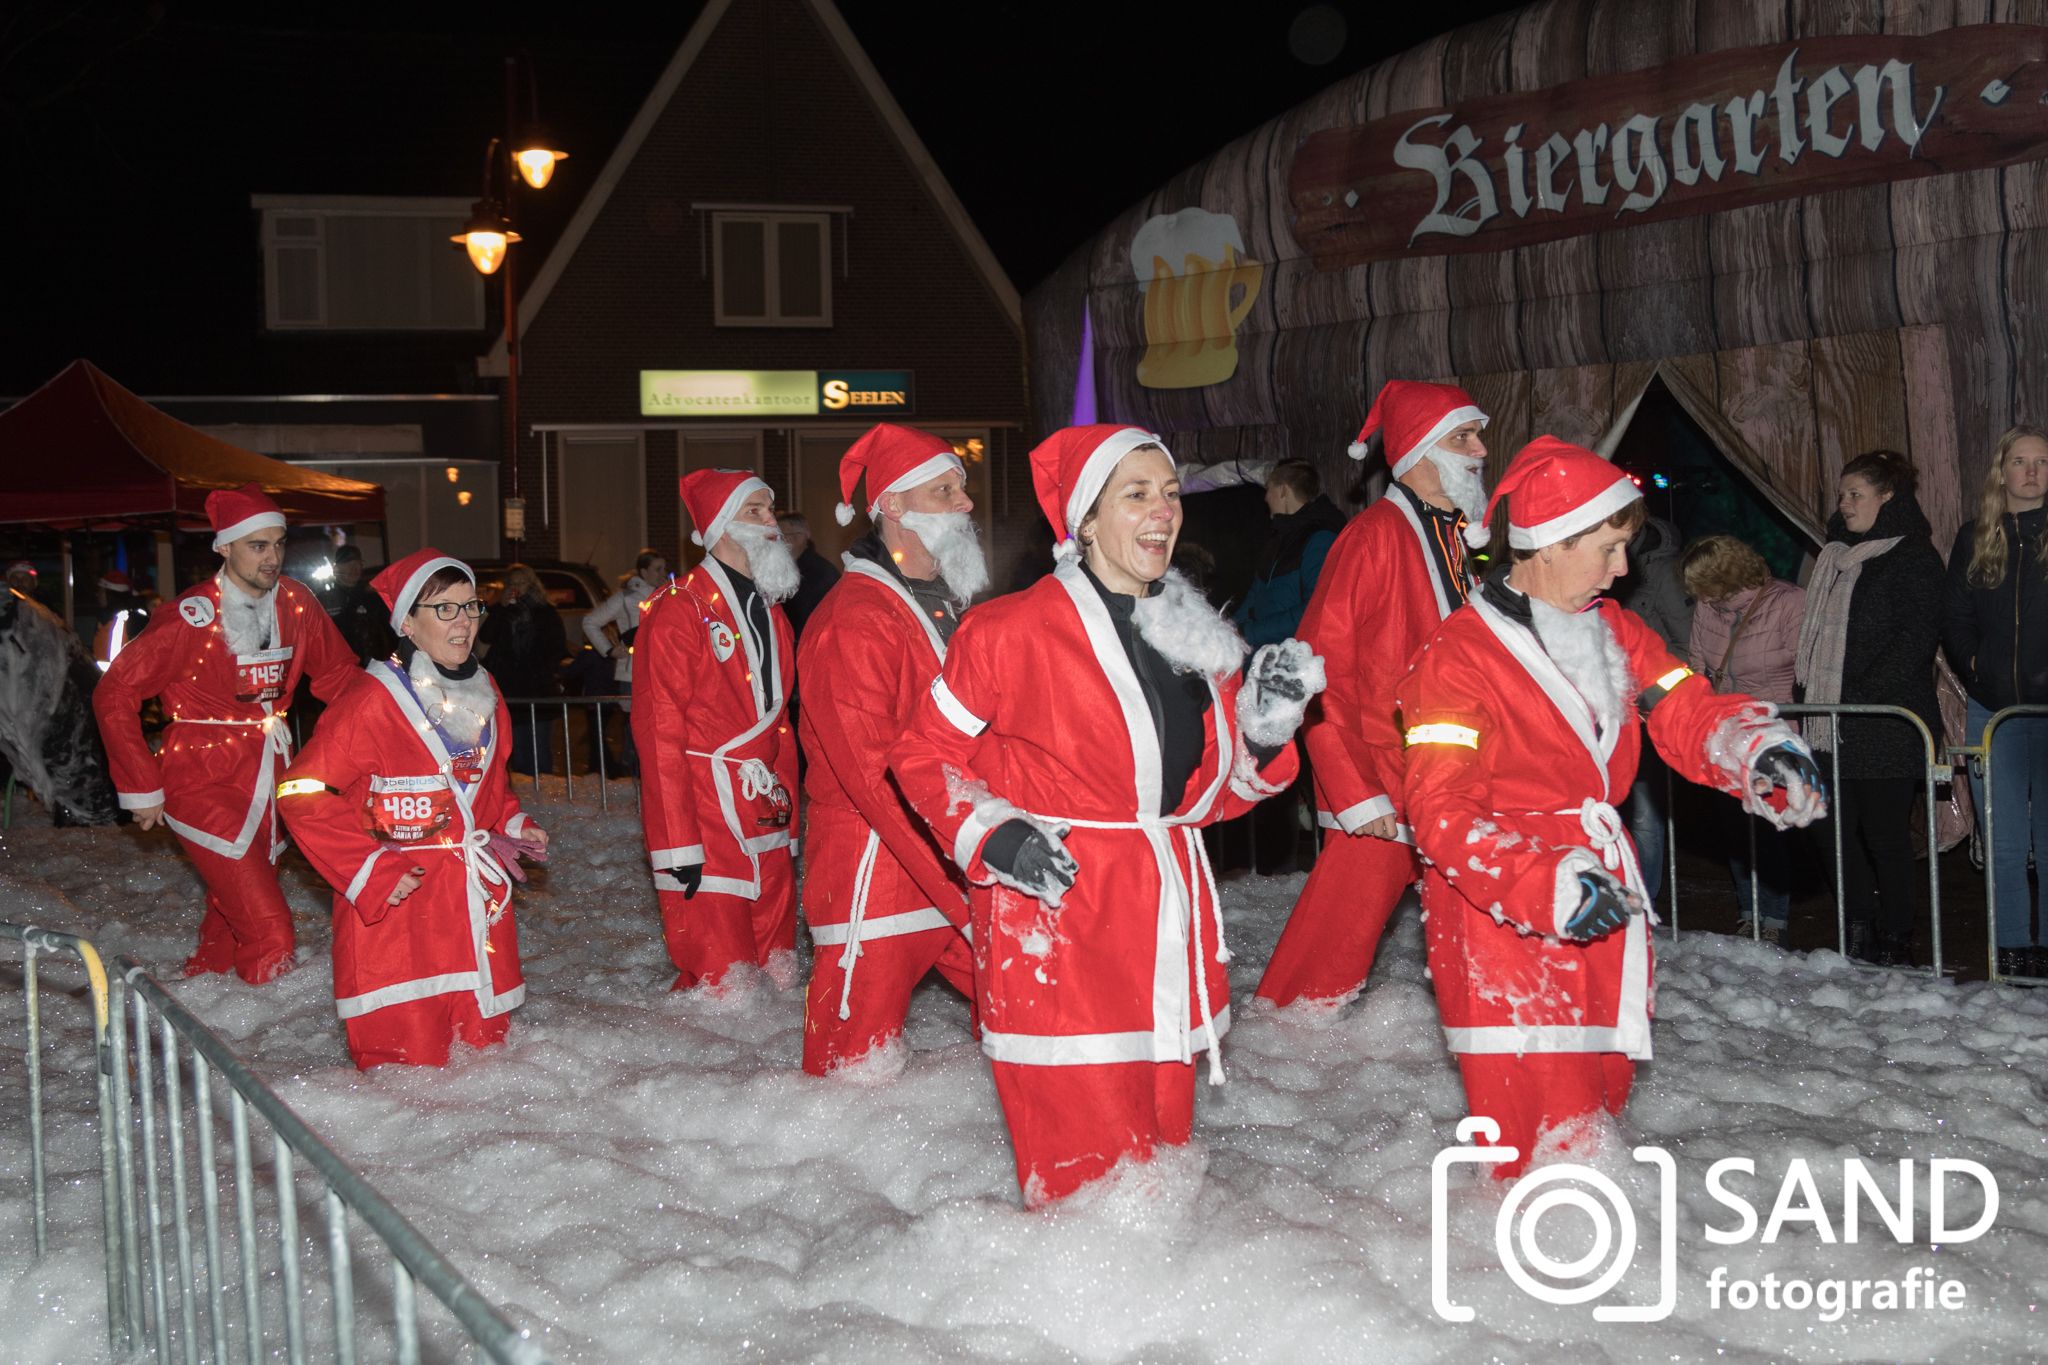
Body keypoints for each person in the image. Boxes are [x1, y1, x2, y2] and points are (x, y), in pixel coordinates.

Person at [889, 423, 1322, 1206]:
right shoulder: (1006, 631)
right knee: (1084, 1183)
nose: (1163, 511)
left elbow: (1208, 798)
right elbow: (920, 756)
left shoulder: (1199, 639)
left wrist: (1264, 730)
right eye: (1136, 494)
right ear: (1085, 519)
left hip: (1166, 926)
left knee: (1161, 1169)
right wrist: (996, 833)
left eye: (1168, 493)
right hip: (1063, 920)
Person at [1401, 437, 1823, 1176]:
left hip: (1599, 890)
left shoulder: (1614, 631)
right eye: (1607, 549)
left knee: (1598, 1103)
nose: (1623, 570)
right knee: (1528, 1133)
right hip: (1500, 913)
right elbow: (1438, 808)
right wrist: (1543, 881)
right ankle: (1516, 1274)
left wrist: (1754, 749)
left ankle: (1584, 1267)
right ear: (1546, 543)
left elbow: (1685, 706)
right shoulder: (1455, 657)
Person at [1256, 380, 1490, 1008]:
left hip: (1449, 774)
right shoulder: (1370, 538)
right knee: (1329, 956)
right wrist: (1353, 789)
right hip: (1384, 779)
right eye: (1463, 437)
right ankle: (1290, 1053)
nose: (1481, 450)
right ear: (1419, 451)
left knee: (1483, 933)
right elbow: (1316, 672)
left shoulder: (1461, 538)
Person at [278, 550, 547, 1068]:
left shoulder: (486, 690)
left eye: (470, 606)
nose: (464, 620)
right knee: (407, 1080)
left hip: (474, 916)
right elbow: (300, 791)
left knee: (486, 1072)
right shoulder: (369, 699)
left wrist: (514, 825)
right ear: (406, 621)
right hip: (402, 916)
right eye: (444, 609)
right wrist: (369, 867)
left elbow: (489, 792)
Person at [93, 484, 359, 982]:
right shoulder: (191, 615)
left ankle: (204, 1001)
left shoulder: (298, 604)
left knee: (229, 908)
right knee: (269, 925)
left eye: (278, 544)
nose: (272, 557)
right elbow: (114, 693)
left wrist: (388, 733)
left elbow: (341, 679)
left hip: (271, 778)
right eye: (257, 545)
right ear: (224, 547)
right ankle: (259, 1047)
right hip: (202, 779)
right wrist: (141, 783)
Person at [798, 424, 980, 1074]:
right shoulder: (855, 622)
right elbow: (875, 775)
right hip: (876, 874)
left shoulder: (945, 607)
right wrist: (968, 867)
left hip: (951, 853)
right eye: (945, 489)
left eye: (961, 486)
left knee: (1029, 1019)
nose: (966, 502)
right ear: (895, 506)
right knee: (850, 1075)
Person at [633, 471, 800, 991]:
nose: (772, 522)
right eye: (755, 511)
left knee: (777, 973)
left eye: (770, 510)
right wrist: (675, 844)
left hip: (764, 811)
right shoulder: (678, 609)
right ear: (721, 524)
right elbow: (659, 732)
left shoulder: (775, 614)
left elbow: (782, 727)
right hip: (704, 815)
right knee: (720, 980)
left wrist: (788, 819)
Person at [1796, 449, 1945, 966]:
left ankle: (1897, 936)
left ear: (1888, 497)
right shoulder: (1833, 556)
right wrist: (1814, 695)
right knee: (1830, 831)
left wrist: (1858, 697)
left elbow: (1916, 639)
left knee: (1886, 836)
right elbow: (1813, 641)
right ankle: (1856, 924)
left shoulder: (1914, 556)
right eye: (1842, 495)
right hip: (1828, 721)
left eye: (1856, 494)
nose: (1845, 503)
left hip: (1885, 720)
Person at [1943, 425, 2048, 977]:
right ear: (2002, 471)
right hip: (1995, 711)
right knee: (2003, 837)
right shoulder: (1975, 535)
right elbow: (1954, 615)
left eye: (2042, 462)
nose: (2032, 472)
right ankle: (2010, 947)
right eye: (2021, 461)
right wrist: (1976, 665)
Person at [1683, 535, 1807, 943]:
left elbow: (1805, 672)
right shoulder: (1707, 606)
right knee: (1735, 832)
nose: (1701, 596)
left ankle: (1775, 920)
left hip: (1774, 735)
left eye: (1706, 585)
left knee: (1769, 827)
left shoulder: (1787, 603)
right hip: (1728, 736)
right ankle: (1749, 911)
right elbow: (1699, 665)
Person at [1608, 515, 1693, 906]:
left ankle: (1643, 904)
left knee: (1643, 817)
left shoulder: (1662, 573)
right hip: (1601, 710)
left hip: (1641, 711)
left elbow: (1686, 641)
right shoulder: (1590, 571)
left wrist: (1647, 685)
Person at [1232, 459, 1345, 648]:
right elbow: (1254, 596)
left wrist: (1249, 632)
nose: (1265, 497)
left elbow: (1315, 610)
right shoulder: (1278, 540)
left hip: (1296, 659)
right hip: (1264, 654)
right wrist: (1226, 630)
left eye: (1268, 489)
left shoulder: (1321, 539)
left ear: (1283, 490)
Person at [477, 563, 567, 777]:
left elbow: (556, 647)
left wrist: (544, 669)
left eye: (522, 582)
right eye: (512, 583)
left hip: (538, 688)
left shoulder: (544, 612)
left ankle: (544, 797)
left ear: (532, 585)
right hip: (511, 689)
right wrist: (501, 608)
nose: (516, 587)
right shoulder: (503, 611)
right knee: (518, 750)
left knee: (539, 748)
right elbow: (486, 636)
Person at [582, 549, 665, 775]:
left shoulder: (666, 594)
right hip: (632, 674)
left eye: (663, 568)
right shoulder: (626, 598)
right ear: (643, 571)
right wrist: (609, 650)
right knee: (636, 735)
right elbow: (590, 621)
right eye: (657, 569)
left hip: (662, 673)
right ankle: (636, 783)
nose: (662, 574)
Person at [319, 544, 395, 665]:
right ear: (336, 569)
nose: (354, 569)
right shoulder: (325, 599)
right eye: (348, 564)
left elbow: (389, 629)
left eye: (358, 564)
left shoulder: (372, 597)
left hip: (375, 666)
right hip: (341, 667)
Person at [777, 511, 841, 637]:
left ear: (799, 537)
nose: (776, 542)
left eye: (781, 536)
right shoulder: (788, 568)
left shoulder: (819, 572)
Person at [91, 568, 150, 670]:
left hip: (122, 684)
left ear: (110, 595)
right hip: (106, 682)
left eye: (101, 591)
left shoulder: (136, 621)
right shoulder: (105, 620)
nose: (97, 595)